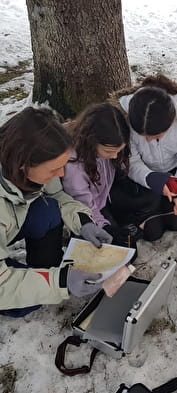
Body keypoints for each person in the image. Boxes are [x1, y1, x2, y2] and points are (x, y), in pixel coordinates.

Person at [0, 107, 112, 317]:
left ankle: (46, 267)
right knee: (24, 303)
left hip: (12, 222)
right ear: (23, 164)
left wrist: (84, 222)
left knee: (48, 210)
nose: (60, 174)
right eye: (53, 170)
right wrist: (59, 283)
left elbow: (58, 198)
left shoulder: (28, 166)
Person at [109, 74, 177, 241]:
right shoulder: (123, 114)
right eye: (142, 135)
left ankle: (156, 206)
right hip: (141, 174)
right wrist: (150, 179)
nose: (149, 140)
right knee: (152, 232)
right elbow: (130, 161)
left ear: (173, 119)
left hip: (172, 173)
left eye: (156, 135)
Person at [62, 103, 141, 249]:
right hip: (85, 213)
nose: (115, 156)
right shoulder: (74, 165)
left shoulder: (108, 148)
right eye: (109, 151)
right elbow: (82, 204)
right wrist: (105, 227)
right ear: (91, 141)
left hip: (103, 200)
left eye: (119, 150)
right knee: (118, 248)